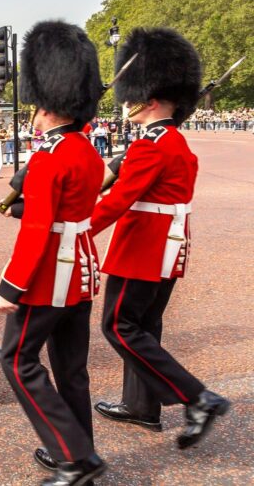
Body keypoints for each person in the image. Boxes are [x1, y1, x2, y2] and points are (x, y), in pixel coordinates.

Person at [90, 27, 230, 451]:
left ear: (150, 100)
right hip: (167, 249)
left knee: (118, 326)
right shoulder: (173, 141)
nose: (126, 104)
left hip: (142, 250)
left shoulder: (152, 147)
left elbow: (116, 202)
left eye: (133, 97)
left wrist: (76, 232)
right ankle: (142, 406)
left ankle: (197, 397)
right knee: (145, 326)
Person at [0, 21, 107, 485]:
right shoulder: (86, 151)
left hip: (47, 275)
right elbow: (66, 207)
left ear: (47, 106)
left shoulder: (47, 157)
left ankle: (75, 456)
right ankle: (82, 446)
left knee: (17, 361)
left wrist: (10, 287)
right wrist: (26, 204)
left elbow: (40, 230)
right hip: (81, 269)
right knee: (71, 370)